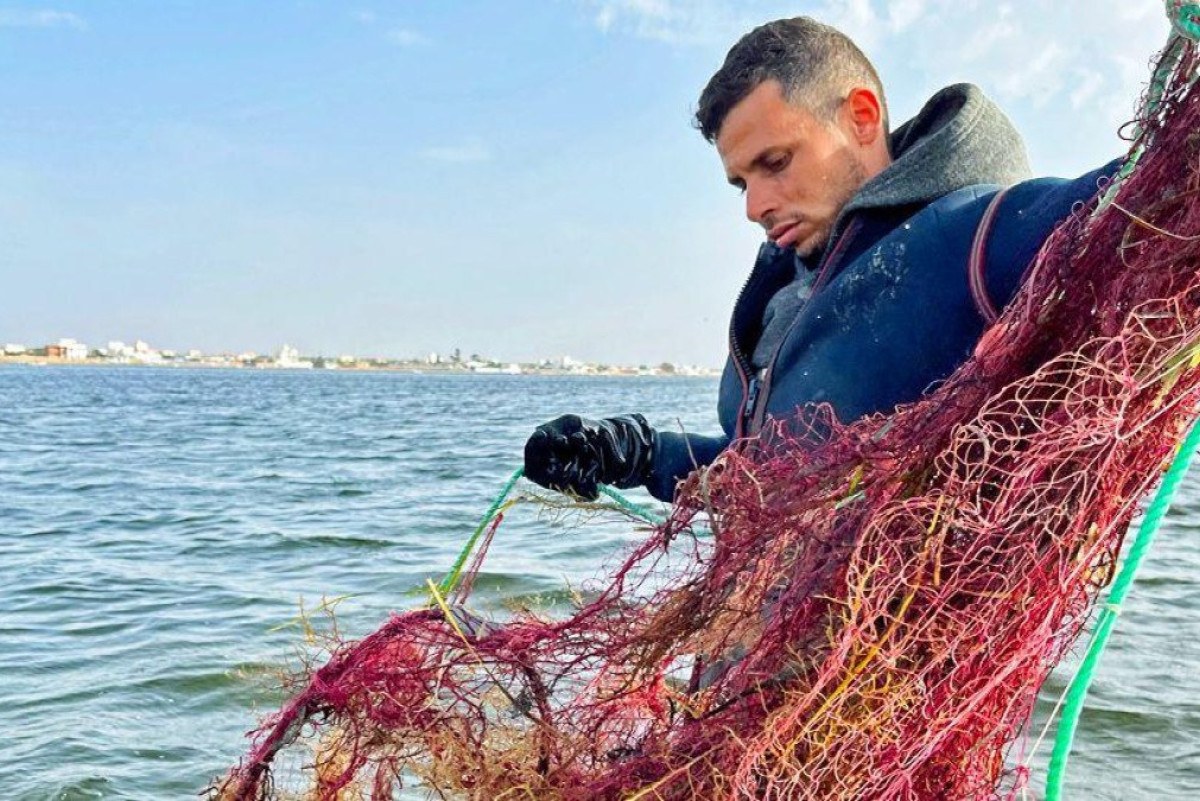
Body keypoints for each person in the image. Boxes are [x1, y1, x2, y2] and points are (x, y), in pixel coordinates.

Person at [523, 16, 1117, 503]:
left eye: (775, 162)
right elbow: (764, 472)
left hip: (893, 643)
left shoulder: (976, 234)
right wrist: (639, 452)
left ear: (861, 118)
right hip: (753, 641)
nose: (754, 206)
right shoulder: (786, 288)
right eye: (739, 183)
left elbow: (1145, 201)